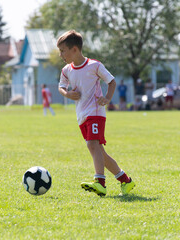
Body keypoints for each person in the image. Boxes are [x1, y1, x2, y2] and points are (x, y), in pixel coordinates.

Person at [57, 30, 135, 196]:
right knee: (99, 151)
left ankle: (100, 182)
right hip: (81, 115)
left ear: (75, 50)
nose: (60, 54)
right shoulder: (66, 70)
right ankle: (126, 181)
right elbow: (61, 87)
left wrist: (107, 98)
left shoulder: (94, 65)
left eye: (63, 50)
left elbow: (111, 81)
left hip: (96, 112)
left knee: (92, 145)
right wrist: (67, 94)